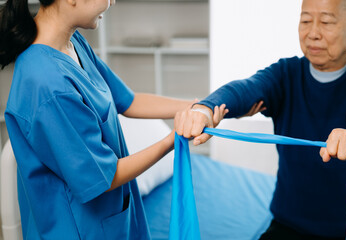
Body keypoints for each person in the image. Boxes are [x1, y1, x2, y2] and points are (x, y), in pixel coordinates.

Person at [0, 0, 227, 239]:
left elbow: (129, 102)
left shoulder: (72, 44)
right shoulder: (46, 83)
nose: (113, 1)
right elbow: (105, 176)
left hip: (110, 218)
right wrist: (176, 137)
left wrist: (200, 106)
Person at [175, 0, 346, 239]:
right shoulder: (285, 74)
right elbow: (249, 88)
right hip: (289, 226)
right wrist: (205, 109)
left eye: (326, 22)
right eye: (305, 21)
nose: (313, 33)